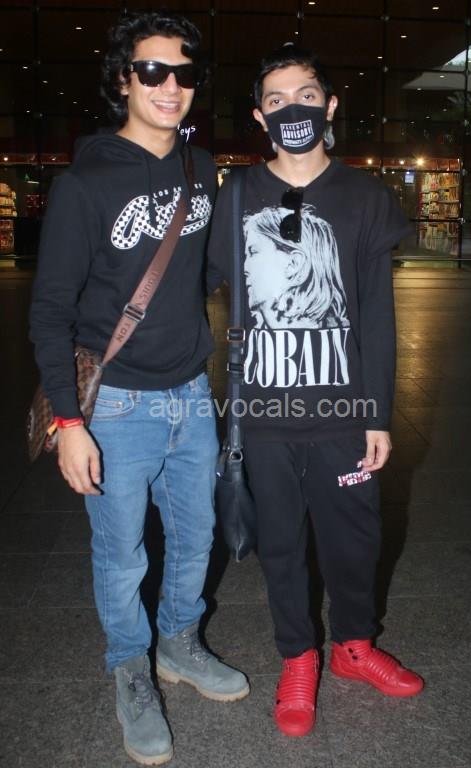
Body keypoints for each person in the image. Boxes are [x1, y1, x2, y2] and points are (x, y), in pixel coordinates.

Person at [29, 11, 248, 766]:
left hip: (190, 393)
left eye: (184, 73)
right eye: (153, 71)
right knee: (122, 555)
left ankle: (178, 643)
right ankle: (130, 666)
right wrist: (69, 423)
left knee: (196, 538)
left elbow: (208, 267)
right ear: (123, 79)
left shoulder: (203, 168)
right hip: (116, 406)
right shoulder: (84, 183)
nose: (170, 86)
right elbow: (49, 311)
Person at [207, 43, 424, 738]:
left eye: (305, 95)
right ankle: (297, 657)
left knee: (354, 540)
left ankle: (354, 647)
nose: (291, 108)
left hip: (342, 412)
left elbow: (378, 315)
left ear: (329, 107)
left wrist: (377, 413)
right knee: (280, 546)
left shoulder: (366, 198)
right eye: (275, 100)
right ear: (258, 116)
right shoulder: (234, 195)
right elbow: (192, 288)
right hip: (261, 414)